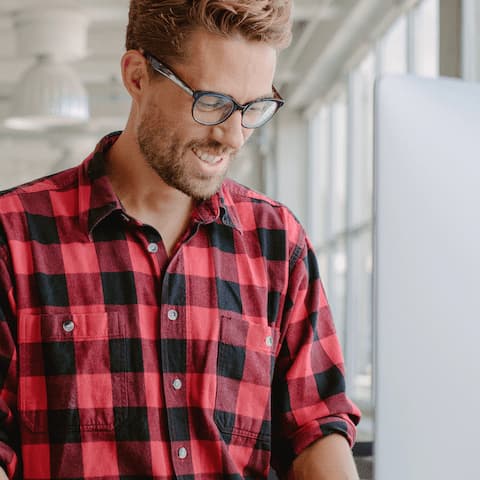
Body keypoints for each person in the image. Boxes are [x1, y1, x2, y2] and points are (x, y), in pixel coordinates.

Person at [0, 1, 361, 478]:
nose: (232, 136)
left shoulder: (278, 242)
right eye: (211, 102)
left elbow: (316, 424)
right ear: (136, 76)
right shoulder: (13, 233)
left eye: (254, 108)